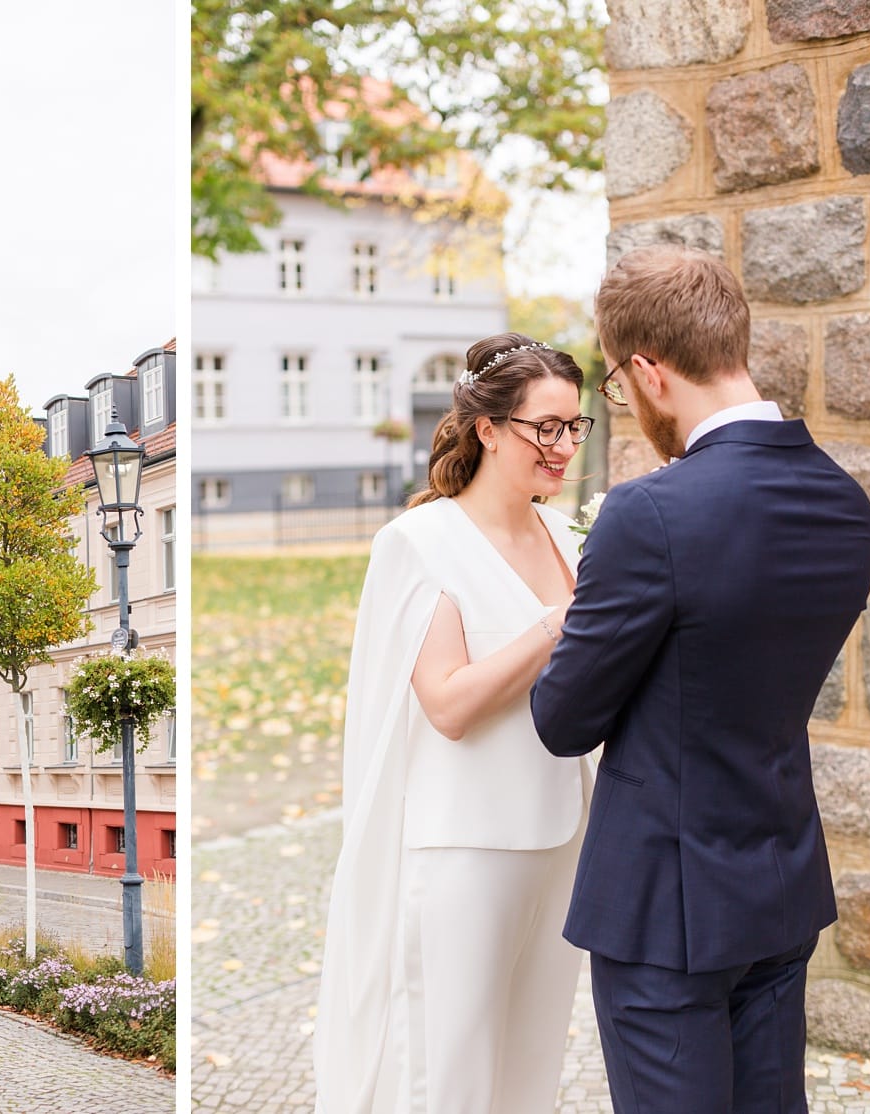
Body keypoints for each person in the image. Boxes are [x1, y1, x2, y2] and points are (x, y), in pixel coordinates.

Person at [531, 245, 870, 1114]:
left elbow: (564, 718)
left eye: (614, 384)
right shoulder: (846, 503)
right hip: (782, 877)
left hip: (665, 904)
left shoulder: (649, 513)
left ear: (647, 371)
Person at [314, 332, 597, 1113]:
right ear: (489, 429)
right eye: (547, 427)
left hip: (564, 837)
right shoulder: (419, 543)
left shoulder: (570, 536)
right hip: (464, 846)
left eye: (575, 426)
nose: (564, 446)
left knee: (528, 1068)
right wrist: (559, 623)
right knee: (448, 1073)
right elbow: (448, 704)